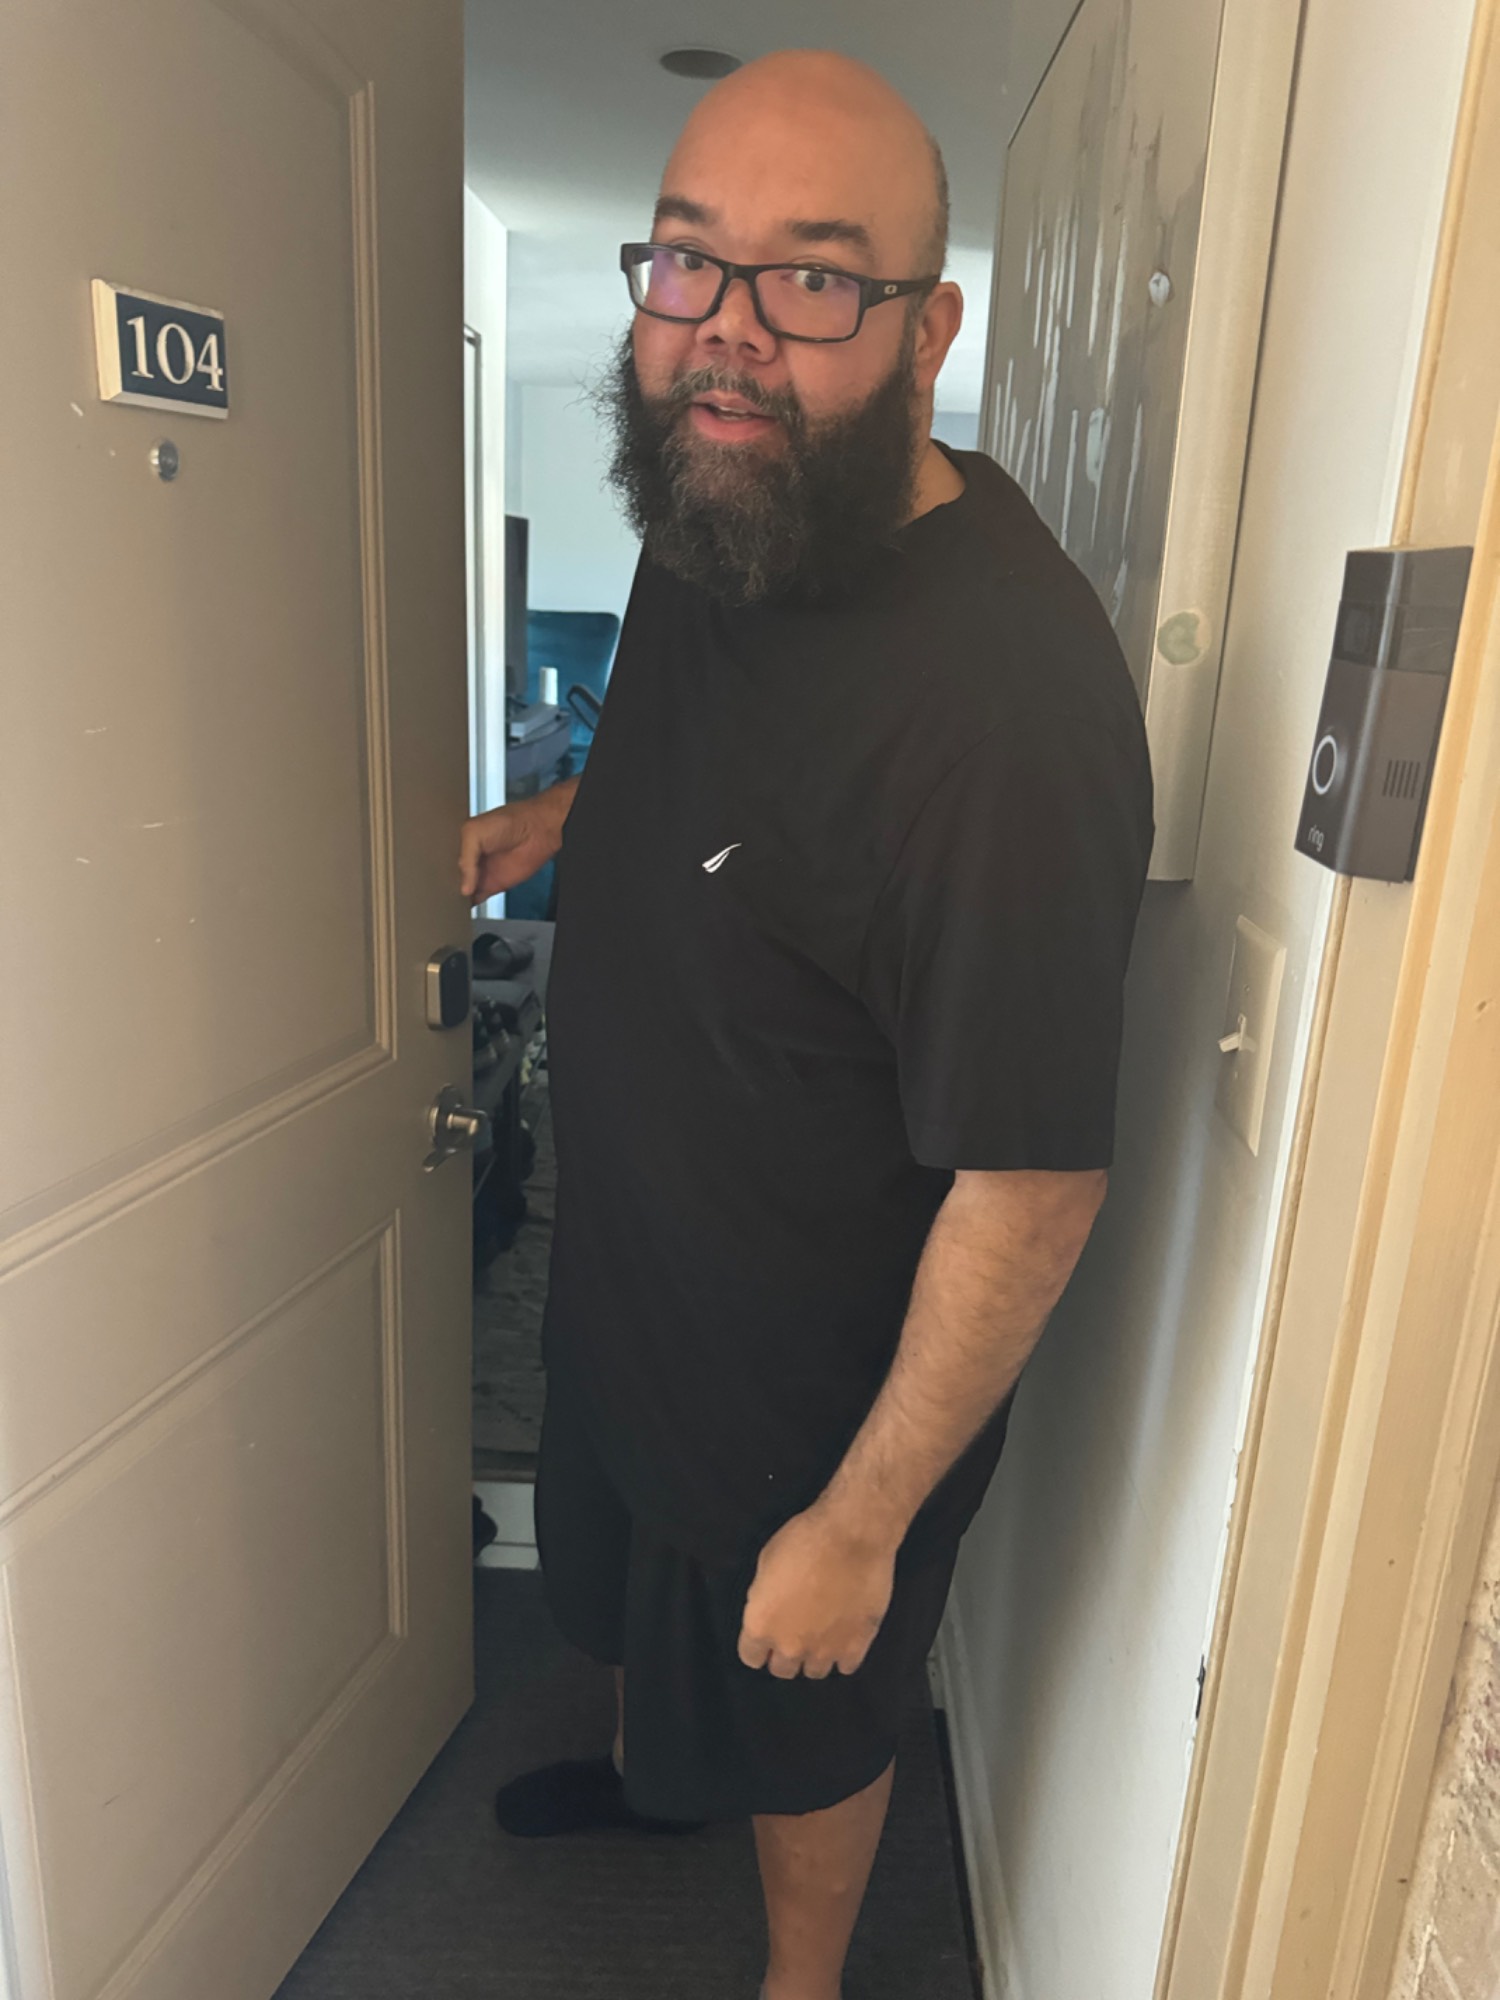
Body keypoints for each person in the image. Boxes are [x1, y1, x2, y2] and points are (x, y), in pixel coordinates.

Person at [459, 48, 1153, 2000]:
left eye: (816, 278)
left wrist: (864, 1519)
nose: (729, 333)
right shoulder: (721, 497)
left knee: (804, 1702)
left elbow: (1032, 1186)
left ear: (931, 328)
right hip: (626, 1280)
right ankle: (650, 1779)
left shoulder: (1008, 713)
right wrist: (560, 818)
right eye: (690, 260)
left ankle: (803, 1981)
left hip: (806, 1387)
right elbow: (708, 768)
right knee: (636, 1609)